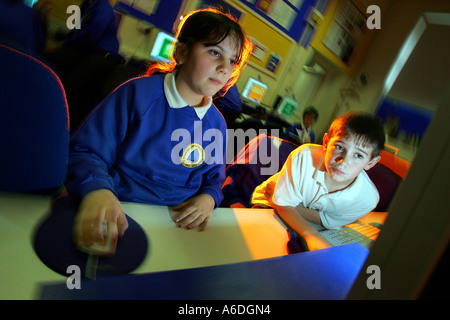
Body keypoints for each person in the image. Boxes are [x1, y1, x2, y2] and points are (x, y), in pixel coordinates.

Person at [65, 8, 252, 250]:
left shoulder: (216, 123)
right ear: (181, 52)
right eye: (214, 52)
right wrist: (97, 191)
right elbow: (85, 151)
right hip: (120, 212)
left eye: (232, 61)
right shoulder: (137, 95)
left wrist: (208, 199)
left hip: (176, 227)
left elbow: (214, 180)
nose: (224, 68)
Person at [252, 111, 385, 251]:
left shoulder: (367, 199)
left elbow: (327, 222)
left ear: (371, 162)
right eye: (339, 147)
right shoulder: (304, 156)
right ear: (326, 142)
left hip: (302, 217)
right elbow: (282, 205)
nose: (343, 161)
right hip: (268, 205)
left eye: (358, 155)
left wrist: (288, 203)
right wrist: (311, 235)